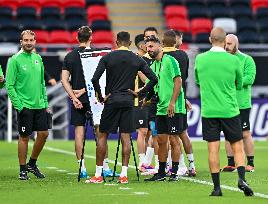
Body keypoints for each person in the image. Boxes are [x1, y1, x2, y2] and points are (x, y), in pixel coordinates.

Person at [88, 31, 158, 184]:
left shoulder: (108, 57)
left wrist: (100, 96)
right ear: (130, 43)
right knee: (126, 137)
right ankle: (124, 175)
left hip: (111, 100)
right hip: (127, 101)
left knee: (103, 136)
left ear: (117, 42)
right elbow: (154, 78)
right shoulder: (136, 58)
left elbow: (94, 79)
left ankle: (98, 175)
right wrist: (139, 92)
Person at [194, 27, 253, 196]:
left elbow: (198, 81)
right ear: (224, 40)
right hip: (230, 110)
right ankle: (241, 179)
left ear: (210, 39)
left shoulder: (200, 59)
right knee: (237, 146)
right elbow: (239, 82)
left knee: (213, 149)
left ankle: (217, 188)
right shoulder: (233, 60)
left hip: (209, 111)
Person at [61, 26, 117, 179]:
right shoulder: (96, 55)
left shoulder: (70, 56)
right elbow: (98, 79)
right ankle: (105, 167)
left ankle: (82, 168)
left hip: (78, 101)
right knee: (101, 133)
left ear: (77, 38)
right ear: (91, 38)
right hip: (94, 98)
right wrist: (86, 91)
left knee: (79, 133)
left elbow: (63, 80)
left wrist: (74, 97)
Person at [6, 30, 49, 180]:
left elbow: (42, 83)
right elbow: (9, 85)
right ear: (21, 42)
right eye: (26, 40)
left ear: (35, 41)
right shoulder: (14, 60)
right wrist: (19, 106)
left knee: (44, 134)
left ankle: (32, 163)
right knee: (24, 137)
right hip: (24, 106)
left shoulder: (38, 58)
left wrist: (45, 103)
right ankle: (23, 169)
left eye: (31, 40)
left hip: (40, 105)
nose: (29, 43)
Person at [144, 35, 186, 182]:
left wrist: (173, 102)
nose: (148, 50)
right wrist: (146, 98)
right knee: (161, 140)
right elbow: (153, 86)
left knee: (174, 139)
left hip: (173, 107)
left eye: (151, 46)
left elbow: (178, 81)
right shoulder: (153, 65)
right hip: (161, 108)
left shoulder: (170, 60)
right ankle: (161, 172)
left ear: (159, 45)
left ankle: (174, 172)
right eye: (147, 47)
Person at [162, 30, 196, 177]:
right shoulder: (183, 55)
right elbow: (184, 77)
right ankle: (192, 165)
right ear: (176, 40)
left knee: (171, 136)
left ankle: (178, 166)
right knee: (183, 134)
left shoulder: (163, 55)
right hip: (181, 98)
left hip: (167, 100)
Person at [222, 34, 256, 172]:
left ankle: (251, 163)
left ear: (237, 44)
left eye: (230, 43)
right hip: (226, 103)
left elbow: (250, 78)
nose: (227, 46)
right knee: (227, 133)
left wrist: (232, 81)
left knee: (245, 133)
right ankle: (231, 163)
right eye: (225, 43)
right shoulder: (222, 60)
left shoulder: (247, 60)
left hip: (241, 104)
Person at [134, 34, 155, 173]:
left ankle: (147, 162)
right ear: (142, 46)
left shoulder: (153, 59)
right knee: (142, 131)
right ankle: (142, 162)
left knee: (151, 132)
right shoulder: (138, 60)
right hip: (140, 100)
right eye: (148, 45)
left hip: (152, 100)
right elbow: (147, 79)